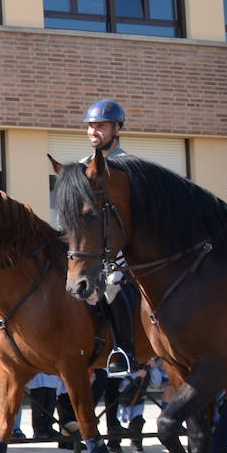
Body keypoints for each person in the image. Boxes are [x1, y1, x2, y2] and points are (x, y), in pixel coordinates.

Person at [79, 99, 142, 376]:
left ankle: (124, 351)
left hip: (121, 248)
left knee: (111, 285)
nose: (93, 131)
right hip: (89, 246)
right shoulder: (83, 166)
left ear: (116, 128)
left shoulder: (128, 165)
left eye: (100, 126)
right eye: (90, 126)